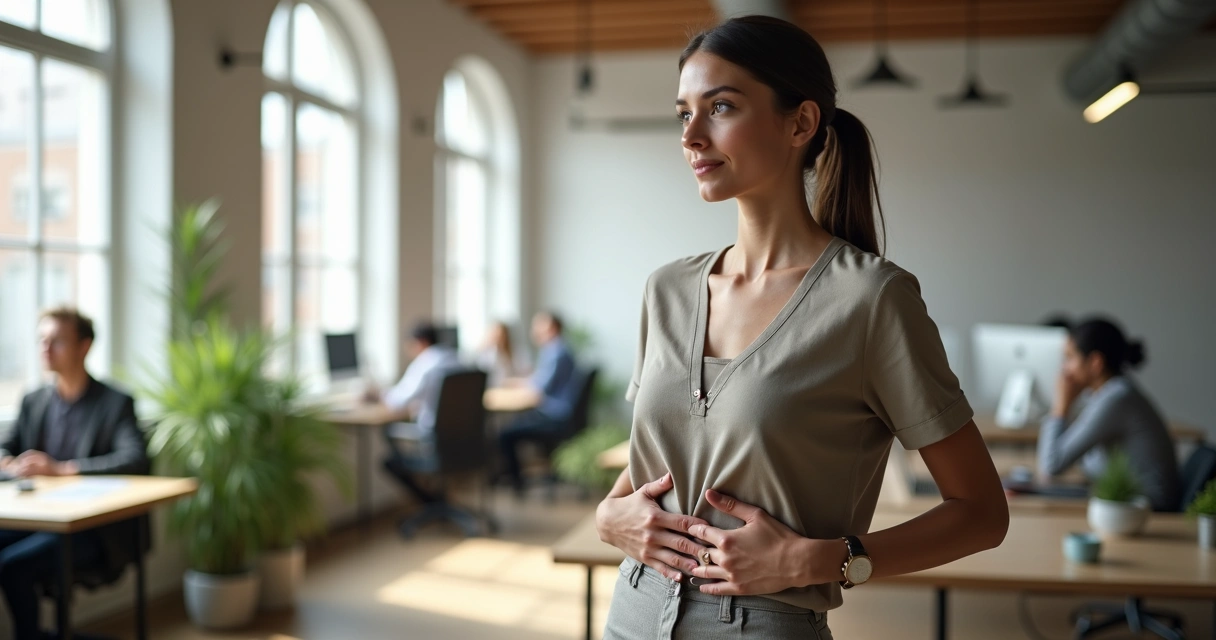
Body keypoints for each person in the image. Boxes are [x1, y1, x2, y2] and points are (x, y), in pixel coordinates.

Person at [595, 17, 1009, 639]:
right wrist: (609, 515)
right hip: (630, 610)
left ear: (801, 123)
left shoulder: (872, 300)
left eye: (722, 107)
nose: (693, 136)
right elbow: (657, 460)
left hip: (760, 625)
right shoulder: (667, 289)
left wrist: (823, 559)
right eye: (684, 114)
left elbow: (981, 513)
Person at [0, 307, 150, 640]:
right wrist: (11, 463)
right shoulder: (34, 401)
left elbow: (135, 460)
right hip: (35, 518)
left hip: (90, 529)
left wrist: (62, 470)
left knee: (13, 566)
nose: (46, 349)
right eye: (42, 340)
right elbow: (5, 449)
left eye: (58, 341)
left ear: (84, 347)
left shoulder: (115, 402)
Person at [1037, 318, 1181, 512]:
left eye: (1070, 358)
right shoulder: (1106, 393)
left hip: (1148, 512)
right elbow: (1082, 460)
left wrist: (1060, 407)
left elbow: (1052, 465)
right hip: (1124, 505)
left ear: (1095, 362)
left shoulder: (1117, 398)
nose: (1064, 368)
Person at [379, 322, 461, 504]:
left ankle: (430, 502)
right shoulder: (455, 359)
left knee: (389, 457)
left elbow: (397, 401)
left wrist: (377, 394)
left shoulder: (426, 364)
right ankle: (436, 500)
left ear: (420, 342)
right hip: (463, 443)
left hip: (434, 441)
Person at [496, 311, 577, 495]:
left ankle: (517, 485)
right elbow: (541, 380)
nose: (534, 330)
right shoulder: (556, 349)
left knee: (505, 434)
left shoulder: (557, 351)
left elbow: (542, 388)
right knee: (514, 424)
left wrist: (518, 383)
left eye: (538, 325)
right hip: (558, 413)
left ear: (552, 328)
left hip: (555, 416)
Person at [475, 321, 520, 387]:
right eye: (496, 334)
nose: (499, 338)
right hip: (492, 387)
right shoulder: (488, 353)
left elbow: (520, 370)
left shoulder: (513, 351)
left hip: (509, 386)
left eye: (501, 335)